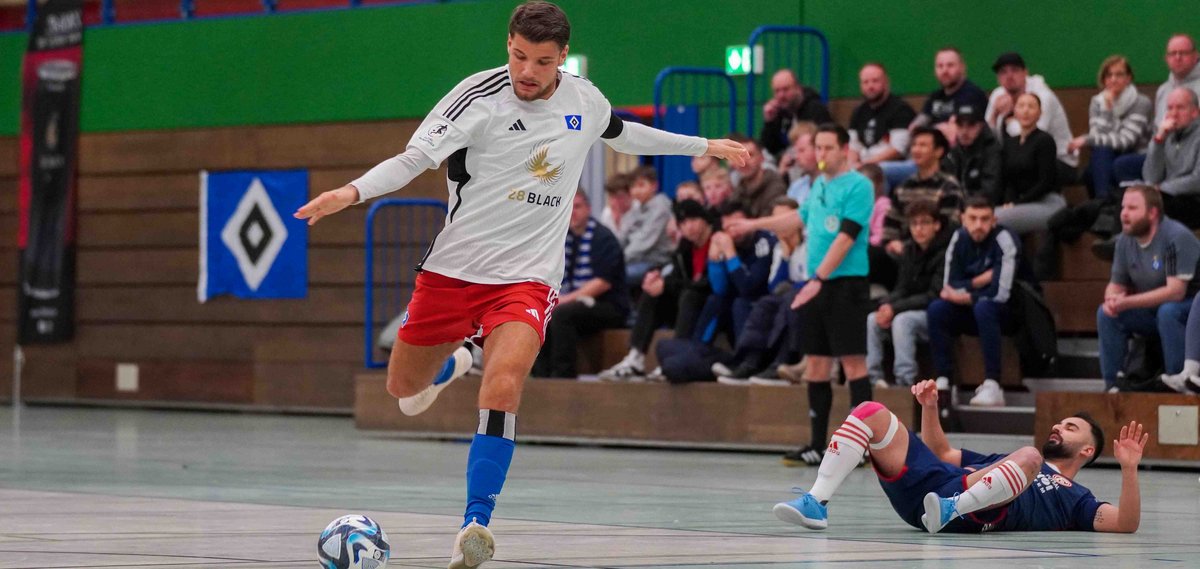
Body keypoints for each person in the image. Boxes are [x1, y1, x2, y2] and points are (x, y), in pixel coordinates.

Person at [293, 3, 748, 567]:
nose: (527, 71)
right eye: (518, 56)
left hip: (527, 279)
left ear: (561, 59)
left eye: (541, 61)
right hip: (453, 273)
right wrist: (351, 192)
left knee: (505, 382)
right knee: (403, 393)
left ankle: (475, 523)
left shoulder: (583, 98)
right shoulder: (475, 99)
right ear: (507, 44)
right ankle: (456, 361)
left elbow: (623, 133)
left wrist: (704, 146)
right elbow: (414, 159)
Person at [773, 380, 1148, 534]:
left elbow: (1125, 524)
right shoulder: (1008, 458)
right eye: (1060, 423)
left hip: (969, 510)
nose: (1058, 428)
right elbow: (943, 453)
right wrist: (930, 408)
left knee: (1029, 455)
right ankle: (816, 501)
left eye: (1070, 428)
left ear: (1087, 450)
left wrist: (1129, 469)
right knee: (871, 410)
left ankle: (955, 507)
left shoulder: (1075, 499)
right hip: (932, 491)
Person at [726, 123, 876, 466]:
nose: (821, 155)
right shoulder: (819, 185)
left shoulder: (859, 186)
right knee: (816, 366)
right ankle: (815, 445)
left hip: (845, 285)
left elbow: (846, 237)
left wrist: (819, 277)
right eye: (817, 148)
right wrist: (752, 225)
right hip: (816, 285)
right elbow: (796, 218)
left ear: (843, 149)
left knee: (853, 363)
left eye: (827, 148)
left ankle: (863, 447)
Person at [927, 196, 1036, 407]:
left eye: (985, 219)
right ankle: (945, 382)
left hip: (1009, 313)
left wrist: (967, 292)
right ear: (962, 219)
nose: (979, 225)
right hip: (974, 310)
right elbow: (950, 286)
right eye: (973, 218)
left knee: (985, 307)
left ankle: (993, 384)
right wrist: (980, 280)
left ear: (994, 220)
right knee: (937, 309)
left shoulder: (1005, 238)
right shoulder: (958, 238)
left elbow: (1000, 293)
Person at [598, 199, 721, 382]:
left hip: (712, 305)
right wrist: (658, 280)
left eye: (693, 220)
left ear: (704, 219)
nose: (689, 227)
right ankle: (635, 357)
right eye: (683, 223)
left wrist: (668, 285)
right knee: (653, 293)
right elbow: (678, 278)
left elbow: (709, 284)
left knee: (689, 295)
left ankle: (675, 357)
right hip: (687, 304)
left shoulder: (717, 240)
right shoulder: (685, 247)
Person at [1098, 185, 1200, 392]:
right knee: (1107, 314)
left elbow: (1175, 292)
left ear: (1152, 213)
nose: (1124, 214)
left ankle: (1178, 382)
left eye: (1132, 208)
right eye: (1123, 207)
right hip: (1153, 310)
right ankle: (1112, 387)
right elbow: (1115, 284)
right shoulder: (1125, 241)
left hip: (1188, 310)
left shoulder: (1175, 236)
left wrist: (1125, 302)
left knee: (1168, 311)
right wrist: (1112, 300)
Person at [532, 192, 628, 379]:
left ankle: (563, 376)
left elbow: (602, 283)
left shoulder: (603, 238)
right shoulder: (561, 237)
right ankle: (540, 376)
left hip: (607, 305)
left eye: (577, 207)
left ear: (588, 209)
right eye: (569, 207)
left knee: (561, 313)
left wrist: (564, 300)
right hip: (575, 303)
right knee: (540, 311)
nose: (572, 213)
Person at [867, 199, 952, 388]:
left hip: (934, 313)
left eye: (924, 223)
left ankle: (905, 380)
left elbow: (933, 295)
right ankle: (873, 378)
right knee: (873, 319)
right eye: (914, 224)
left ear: (937, 225)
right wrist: (887, 305)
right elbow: (902, 288)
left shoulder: (947, 252)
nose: (919, 229)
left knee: (902, 321)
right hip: (909, 307)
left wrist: (895, 308)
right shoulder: (909, 251)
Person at [1114, 34, 1200, 184]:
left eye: (1183, 53)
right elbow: (1157, 130)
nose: (1178, 57)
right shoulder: (1162, 91)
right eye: (1173, 53)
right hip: (1164, 151)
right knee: (1121, 165)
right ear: (1166, 59)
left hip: (1191, 154)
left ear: (1195, 56)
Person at [1067, 56, 1152, 200]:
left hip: (1136, 153)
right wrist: (1107, 110)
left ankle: (1103, 205)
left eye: (1119, 74)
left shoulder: (1141, 102)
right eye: (1109, 75)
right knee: (1096, 162)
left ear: (1128, 78)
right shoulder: (1097, 102)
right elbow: (1097, 136)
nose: (1113, 79)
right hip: (1108, 154)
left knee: (1101, 164)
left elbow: (1126, 141)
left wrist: (1086, 140)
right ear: (1104, 79)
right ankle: (1104, 205)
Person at [984, 52, 1077, 176]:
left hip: (1059, 160)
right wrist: (994, 116)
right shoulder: (998, 95)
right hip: (1016, 158)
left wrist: (1010, 120)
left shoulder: (1042, 96)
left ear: (1025, 73)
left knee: (1018, 165)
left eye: (1015, 70)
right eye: (1003, 72)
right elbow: (986, 137)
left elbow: (1032, 140)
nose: (1009, 76)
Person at [882, 126, 963, 252]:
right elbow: (891, 223)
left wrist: (910, 247)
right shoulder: (904, 186)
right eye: (914, 145)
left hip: (933, 251)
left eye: (923, 145)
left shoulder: (949, 186)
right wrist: (891, 243)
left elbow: (949, 228)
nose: (916, 150)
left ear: (939, 151)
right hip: (900, 250)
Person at [997, 92, 1066, 235]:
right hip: (1021, 203)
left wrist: (1017, 203)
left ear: (1040, 113)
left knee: (994, 219)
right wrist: (1009, 202)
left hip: (1047, 202)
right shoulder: (1010, 143)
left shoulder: (1045, 140)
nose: (1026, 110)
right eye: (1021, 106)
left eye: (1031, 106)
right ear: (1015, 111)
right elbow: (1008, 179)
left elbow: (1045, 182)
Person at [848, 63, 917, 189]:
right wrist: (852, 164)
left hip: (892, 165)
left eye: (875, 81)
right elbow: (853, 146)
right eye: (865, 82)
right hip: (864, 163)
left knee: (874, 173)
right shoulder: (858, 111)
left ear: (886, 82)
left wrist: (865, 164)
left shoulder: (901, 109)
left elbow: (897, 150)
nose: (870, 86)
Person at [1142, 88, 1200, 228]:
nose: (1173, 113)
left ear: (1195, 112)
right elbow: (1151, 177)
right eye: (1170, 108)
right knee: (1129, 197)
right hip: (1170, 195)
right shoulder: (1167, 135)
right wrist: (1159, 140)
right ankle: (1120, 243)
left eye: (1180, 108)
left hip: (1194, 200)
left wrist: (1162, 188)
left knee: (1155, 205)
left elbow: (1197, 181)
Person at [910, 46, 990, 141]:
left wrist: (930, 129)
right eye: (940, 66)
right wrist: (938, 128)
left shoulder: (973, 95)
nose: (944, 71)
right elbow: (914, 128)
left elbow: (957, 133)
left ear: (962, 68)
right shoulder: (935, 97)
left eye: (950, 65)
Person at [619, 165, 674, 286]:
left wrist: (618, 261)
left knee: (615, 277)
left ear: (654, 186)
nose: (636, 191)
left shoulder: (660, 207)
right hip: (635, 260)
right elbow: (622, 237)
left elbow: (644, 242)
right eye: (633, 186)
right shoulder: (637, 208)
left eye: (641, 185)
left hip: (657, 262)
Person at [760, 68, 833, 158]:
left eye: (786, 89)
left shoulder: (816, 110)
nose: (781, 95)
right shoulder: (778, 112)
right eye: (777, 91)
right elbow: (769, 150)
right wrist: (769, 122)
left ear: (798, 88)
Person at [942, 102, 1002, 203]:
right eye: (960, 125)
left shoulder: (992, 151)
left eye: (971, 125)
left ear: (981, 126)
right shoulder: (953, 152)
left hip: (983, 208)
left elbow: (990, 191)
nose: (964, 131)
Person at [730, 134, 788, 217]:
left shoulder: (775, 186)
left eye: (750, 155)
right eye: (740, 156)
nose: (744, 163)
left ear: (762, 158)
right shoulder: (740, 187)